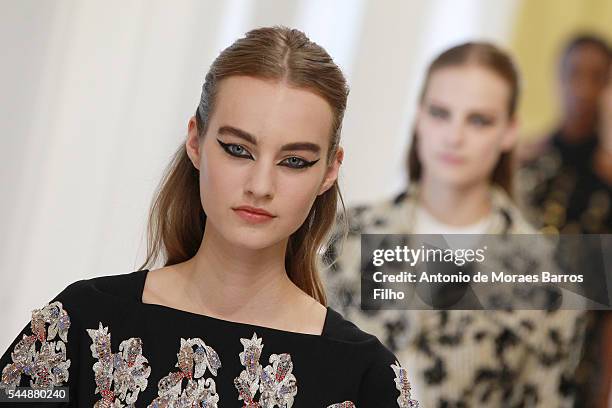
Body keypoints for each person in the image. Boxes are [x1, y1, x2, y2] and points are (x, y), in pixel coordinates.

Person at [0, 26, 418, 407]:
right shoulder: (79, 322)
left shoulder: (366, 378)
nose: (260, 185)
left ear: (329, 170)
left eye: (294, 161)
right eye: (238, 149)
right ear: (196, 142)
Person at [320, 42, 586, 407]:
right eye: (440, 113)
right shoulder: (345, 235)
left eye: (479, 120)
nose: (454, 136)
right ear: (419, 117)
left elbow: (548, 397)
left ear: (509, 131)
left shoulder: (545, 273)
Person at [516, 34, 612, 408]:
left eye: (597, 77)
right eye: (574, 74)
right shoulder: (525, 168)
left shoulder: (606, 187)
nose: (583, 89)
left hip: (576, 361)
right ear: (559, 76)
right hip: (512, 340)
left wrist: (603, 393)